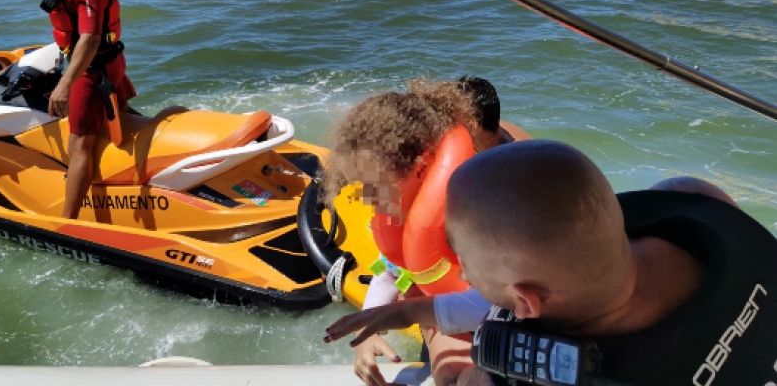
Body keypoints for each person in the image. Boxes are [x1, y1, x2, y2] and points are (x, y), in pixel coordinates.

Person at [327, 141, 777, 386]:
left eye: (464, 263)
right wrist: (404, 309)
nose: (461, 271)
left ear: (525, 302)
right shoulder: (697, 204)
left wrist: (438, 341)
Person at [322, 77, 529, 386]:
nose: (367, 200)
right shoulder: (404, 210)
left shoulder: (481, 213)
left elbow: (507, 303)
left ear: (421, 170)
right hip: (451, 311)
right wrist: (369, 327)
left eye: (372, 188)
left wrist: (406, 313)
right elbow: (392, 268)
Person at [32, 0, 135, 220]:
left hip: (94, 69)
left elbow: (89, 40)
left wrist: (64, 86)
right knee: (120, 121)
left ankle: (69, 221)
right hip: (110, 60)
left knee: (78, 147)